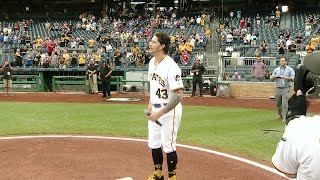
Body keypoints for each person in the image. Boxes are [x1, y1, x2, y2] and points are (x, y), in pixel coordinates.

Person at [146, 32, 184, 180]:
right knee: (154, 143)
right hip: (155, 108)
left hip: (169, 111)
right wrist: (150, 103)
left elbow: (178, 96)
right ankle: (158, 173)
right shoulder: (151, 63)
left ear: (162, 46)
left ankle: (172, 177)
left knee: (168, 145)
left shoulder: (171, 66)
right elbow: (153, 85)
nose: (150, 43)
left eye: (154, 42)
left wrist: (160, 113)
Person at [270, 57, 295, 121]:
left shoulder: (290, 69)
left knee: (285, 103)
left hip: (286, 88)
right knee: (278, 103)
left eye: (283, 61)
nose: (282, 62)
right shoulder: (276, 69)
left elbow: (293, 78)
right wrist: (273, 77)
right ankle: (279, 114)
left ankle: (285, 117)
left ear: (286, 62)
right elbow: (271, 78)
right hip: (278, 88)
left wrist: (286, 78)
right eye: (281, 61)